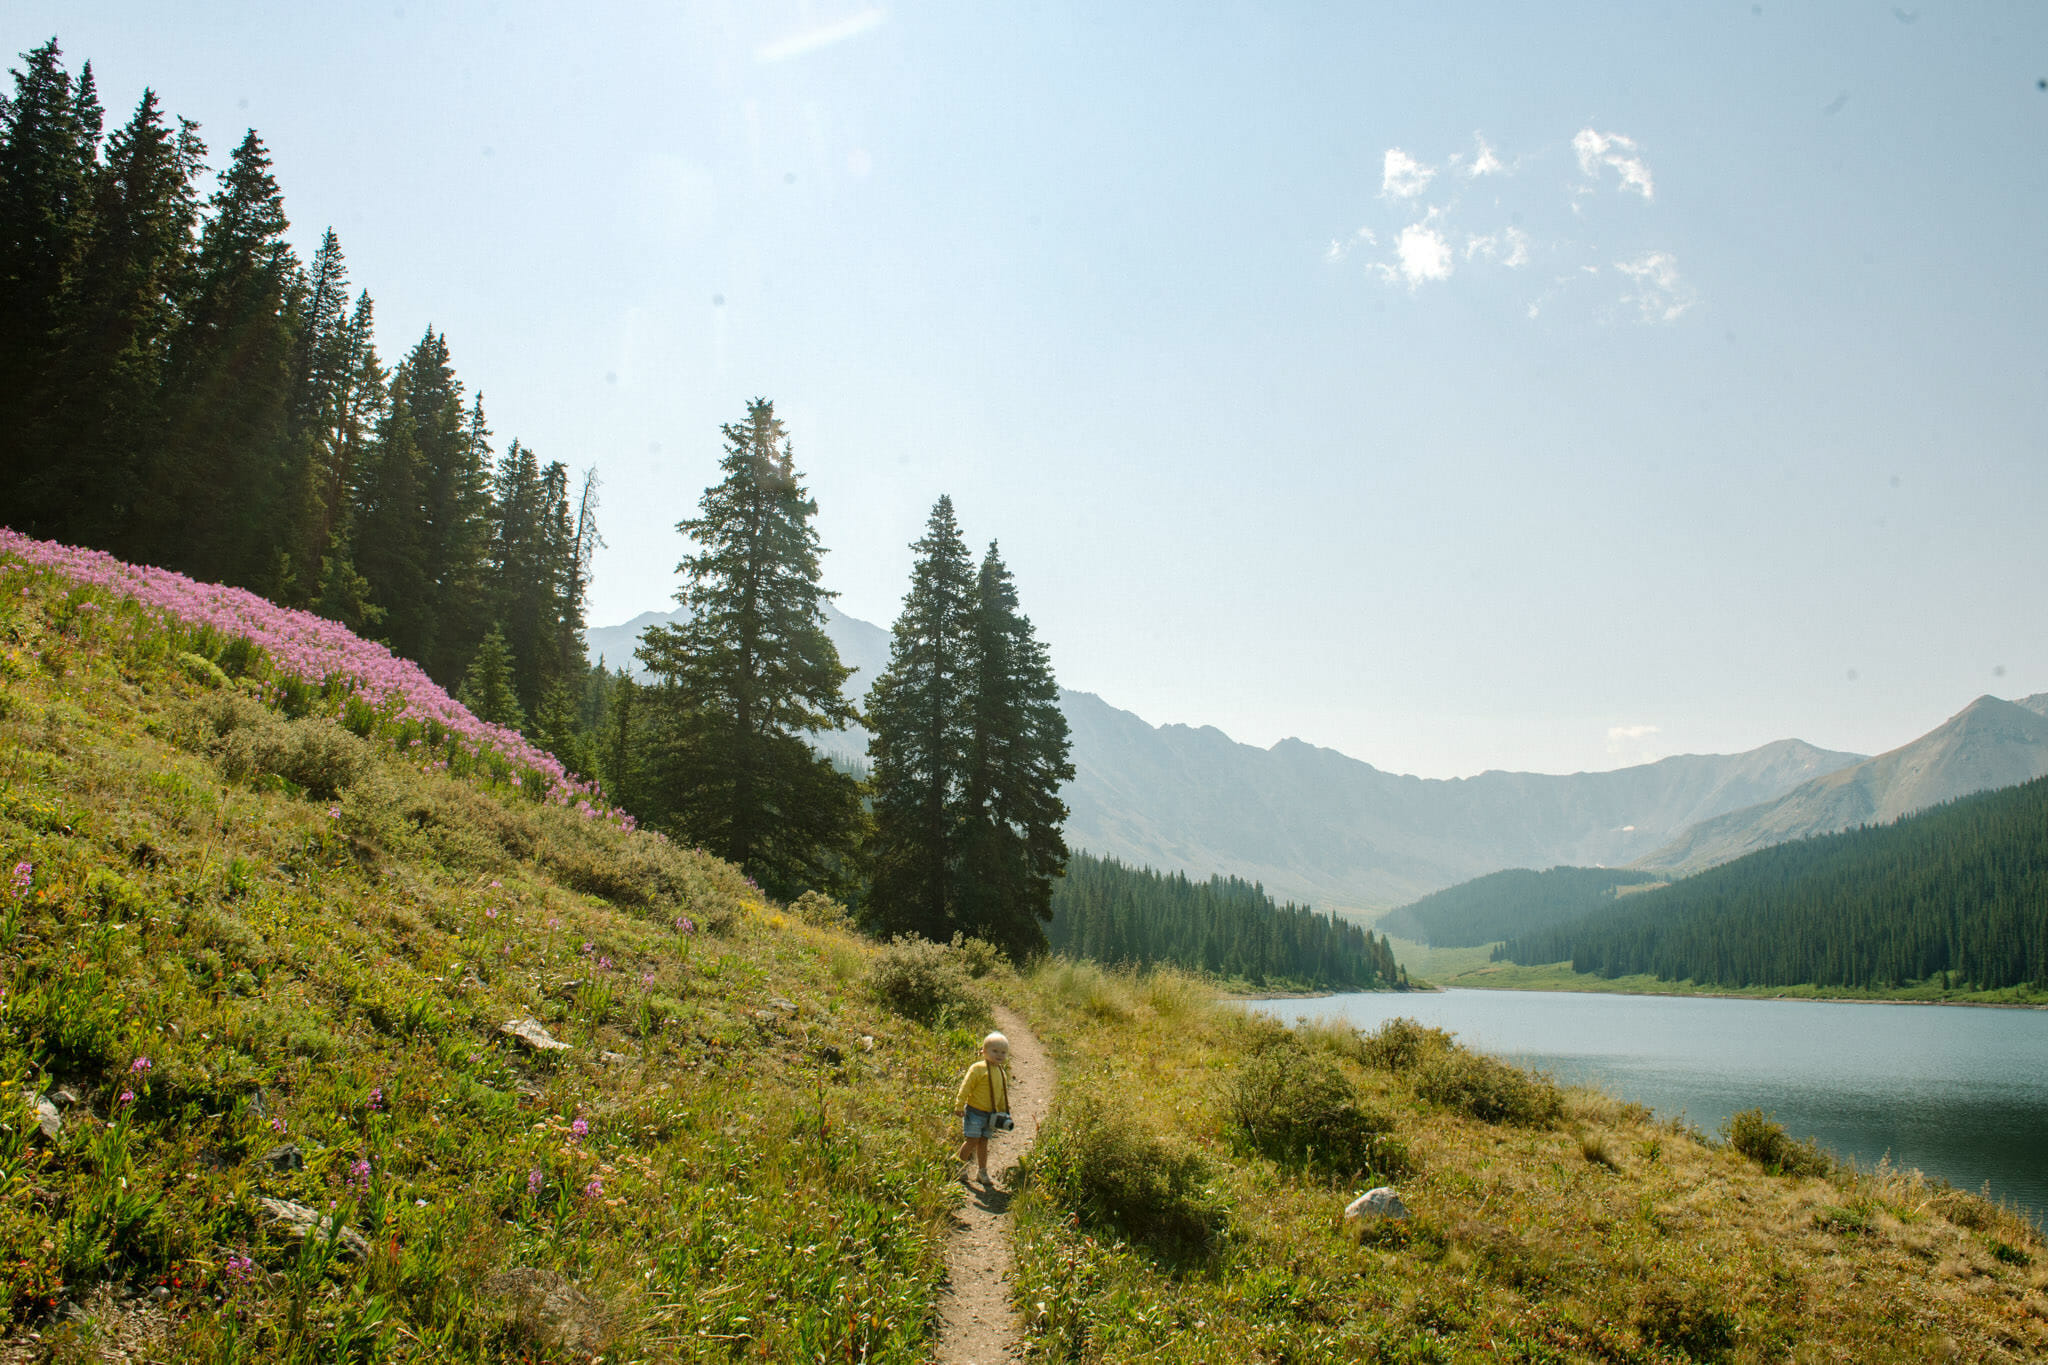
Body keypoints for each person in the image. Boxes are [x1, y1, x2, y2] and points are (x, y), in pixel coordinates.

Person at [954, 1031, 1011, 1185]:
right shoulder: (978, 1068)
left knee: (984, 1142)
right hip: (975, 1112)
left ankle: (982, 1171)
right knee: (972, 1140)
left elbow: (1000, 1094)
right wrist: (959, 1104)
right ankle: (960, 1167)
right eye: (995, 1051)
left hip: (990, 1115)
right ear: (984, 1051)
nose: (999, 1055)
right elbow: (966, 1086)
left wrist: (1003, 1112)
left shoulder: (1001, 1072)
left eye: (1003, 1052)